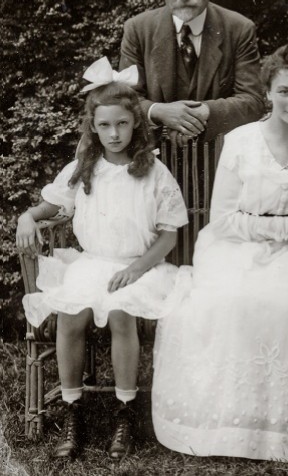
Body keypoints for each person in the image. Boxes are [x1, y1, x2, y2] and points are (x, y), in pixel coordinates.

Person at [151, 45, 288, 462]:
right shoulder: (241, 140)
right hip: (239, 244)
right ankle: (229, 421)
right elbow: (224, 217)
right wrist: (287, 225)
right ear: (267, 92)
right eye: (284, 91)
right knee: (227, 301)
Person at [16, 58, 189, 461]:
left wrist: (136, 268)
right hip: (92, 261)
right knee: (72, 311)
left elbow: (168, 236)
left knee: (120, 310)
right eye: (105, 125)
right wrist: (27, 216)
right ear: (92, 127)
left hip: (140, 264)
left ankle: (124, 411)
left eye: (123, 124)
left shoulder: (153, 171)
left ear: (136, 125)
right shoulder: (83, 168)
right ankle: (73, 409)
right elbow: (49, 207)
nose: (114, 133)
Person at [119, 0, 264, 144]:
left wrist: (203, 112)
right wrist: (159, 111)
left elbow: (253, 102)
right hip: (154, 160)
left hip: (221, 159)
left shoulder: (239, 29)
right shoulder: (138, 29)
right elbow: (125, 100)